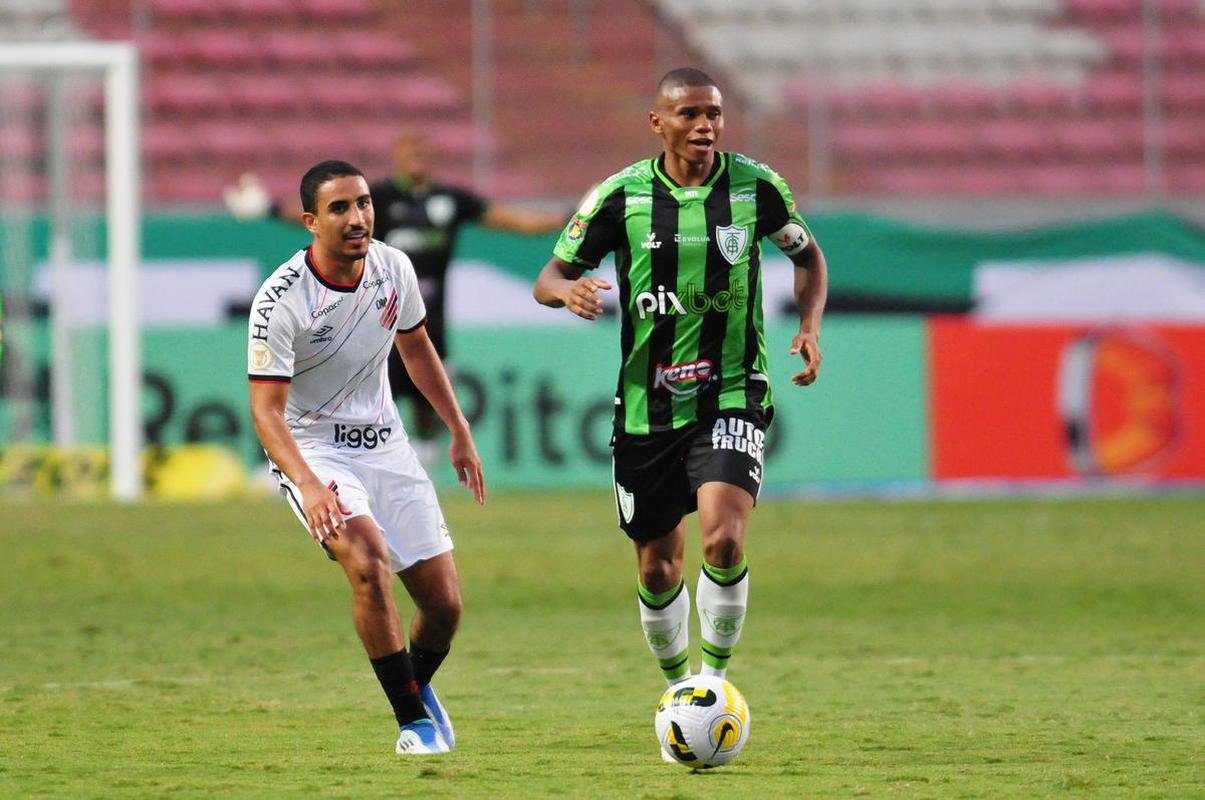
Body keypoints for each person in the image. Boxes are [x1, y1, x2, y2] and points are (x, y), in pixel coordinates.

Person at [533, 68, 828, 760]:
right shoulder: (620, 196)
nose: (705, 126)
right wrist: (567, 291)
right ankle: (676, 691)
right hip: (646, 408)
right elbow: (548, 275)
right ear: (656, 122)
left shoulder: (756, 187)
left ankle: (712, 687)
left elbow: (808, 257)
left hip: (733, 390)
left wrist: (810, 326)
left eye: (714, 114)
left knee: (723, 540)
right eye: (690, 114)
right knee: (659, 567)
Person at [247, 159, 485, 755]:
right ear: (309, 221)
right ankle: (413, 724)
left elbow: (418, 349)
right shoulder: (280, 302)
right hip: (314, 448)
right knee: (366, 559)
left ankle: (412, 687)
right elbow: (267, 413)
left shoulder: (392, 266)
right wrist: (308, 485)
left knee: (445, 606)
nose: (358, 219)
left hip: (385, 442)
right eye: (340, 209)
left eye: (364, 205)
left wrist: (458, 429)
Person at [229, 131, 565, 463]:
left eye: (422, 148)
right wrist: (269, 208)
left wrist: (573, 217)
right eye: (409, 148)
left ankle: (421, 475)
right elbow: (320, 217)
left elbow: (515, 221)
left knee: (428, 412)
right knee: (368, 406)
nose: (416, 154)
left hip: (429, 325)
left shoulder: (452, 199)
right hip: (375, 324)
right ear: (398, 156)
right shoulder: (377, 199)